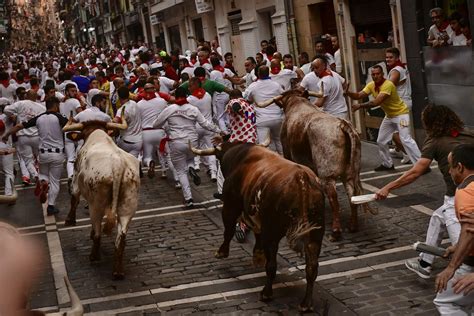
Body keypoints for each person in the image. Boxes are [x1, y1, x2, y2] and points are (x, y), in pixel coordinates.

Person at [376, 104, 474, 279]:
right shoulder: (468, 134)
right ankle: (425, 263)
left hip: (456, 198)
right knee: (437, 218)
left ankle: (460, 285)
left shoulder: (434, 141)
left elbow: (416, 171)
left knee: (464, 252)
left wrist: (387, 187)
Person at [153, 87, 221, 208]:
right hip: (192, 141)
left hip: (176, 142)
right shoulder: (193, 109)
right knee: (190, 158)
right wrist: (218, 130)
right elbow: (205, 124)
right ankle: (191, 167)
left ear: (175, 97)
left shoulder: (170, 109)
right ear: (186, 95)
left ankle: (189, 198)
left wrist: (167, 125)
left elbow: (156, 124)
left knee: (180, 171)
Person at [346, 65, 421, 171]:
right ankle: (387, 164)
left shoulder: (388, 85)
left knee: (406, 139)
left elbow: (376, 102)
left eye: (378, 74)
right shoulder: (371, 85)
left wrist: (360, 106)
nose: (375, 76)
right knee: (381, 141)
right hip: (389, 116)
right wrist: (348, 92)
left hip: (401, 115)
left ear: (382, 74)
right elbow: (358, 95)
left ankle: (421, 164)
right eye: (373, 74)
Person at [3, 97, 68, 215]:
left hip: (43, 154)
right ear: (56, 106)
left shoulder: (39, 118)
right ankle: (51, 206)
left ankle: (43, 180)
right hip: (57, 154)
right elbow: (70, 126)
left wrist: (7, 134)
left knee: (43, 173)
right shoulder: (60, 117)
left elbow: (19, 126)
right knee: (55, 181)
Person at [434, 144, 474, 314]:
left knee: (445, 302)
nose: (449, 172)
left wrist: (451, 267)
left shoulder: (465, 192)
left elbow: (469, 231)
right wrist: (457, 247)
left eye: (450, 166)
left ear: (459, 167)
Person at [215, 89, 257, 243]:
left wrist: (235, 108)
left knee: (221, 169)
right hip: (252, 143)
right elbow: (244, 124)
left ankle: (222, 193)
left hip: (237, 146)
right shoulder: (252, 107)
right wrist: (225, 136)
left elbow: (236, 106)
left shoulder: (234, 102)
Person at [243, 65, 284, 154]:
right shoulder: (276, 85)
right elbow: (283, 96)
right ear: (268, 73)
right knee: (279, 141)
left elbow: (247, 100)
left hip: (262, 120)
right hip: (277, 118)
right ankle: (284, 161)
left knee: (264, 145)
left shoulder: (253, 86)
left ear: (258, 74)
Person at [385, 47, 413, 165]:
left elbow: (388, 87)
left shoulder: (396, 70)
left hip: (399, 105)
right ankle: (398, 149)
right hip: (404, 103)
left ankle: (408, 154)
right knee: (402, 131)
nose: (388, 59)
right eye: (386, 57)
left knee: (394, 133)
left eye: (390, 57)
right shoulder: (402, 67)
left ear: (397, 57)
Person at [114, 86, 143, 159]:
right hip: (138, 141)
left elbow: (115, 122)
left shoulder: (121, 110)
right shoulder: (134, 104)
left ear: (119, 96)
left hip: (125, 141)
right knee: (133, 163)